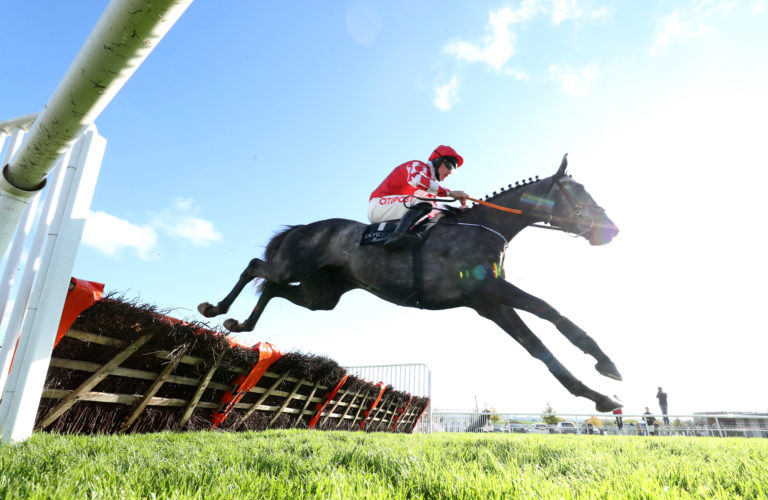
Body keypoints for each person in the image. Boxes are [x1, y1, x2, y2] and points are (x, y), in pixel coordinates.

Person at [368, 145, 469, 250]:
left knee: (434, 217)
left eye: (453, 170)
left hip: (394, 212)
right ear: (437, 160)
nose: (450, 172)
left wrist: (459, 212)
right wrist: (450, 193)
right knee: (425, 202)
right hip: (378, 205)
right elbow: (417, 180)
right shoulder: (418, 166)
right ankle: (397, 237)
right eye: (449, 165)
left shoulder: (431, 187)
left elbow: (435, 214)